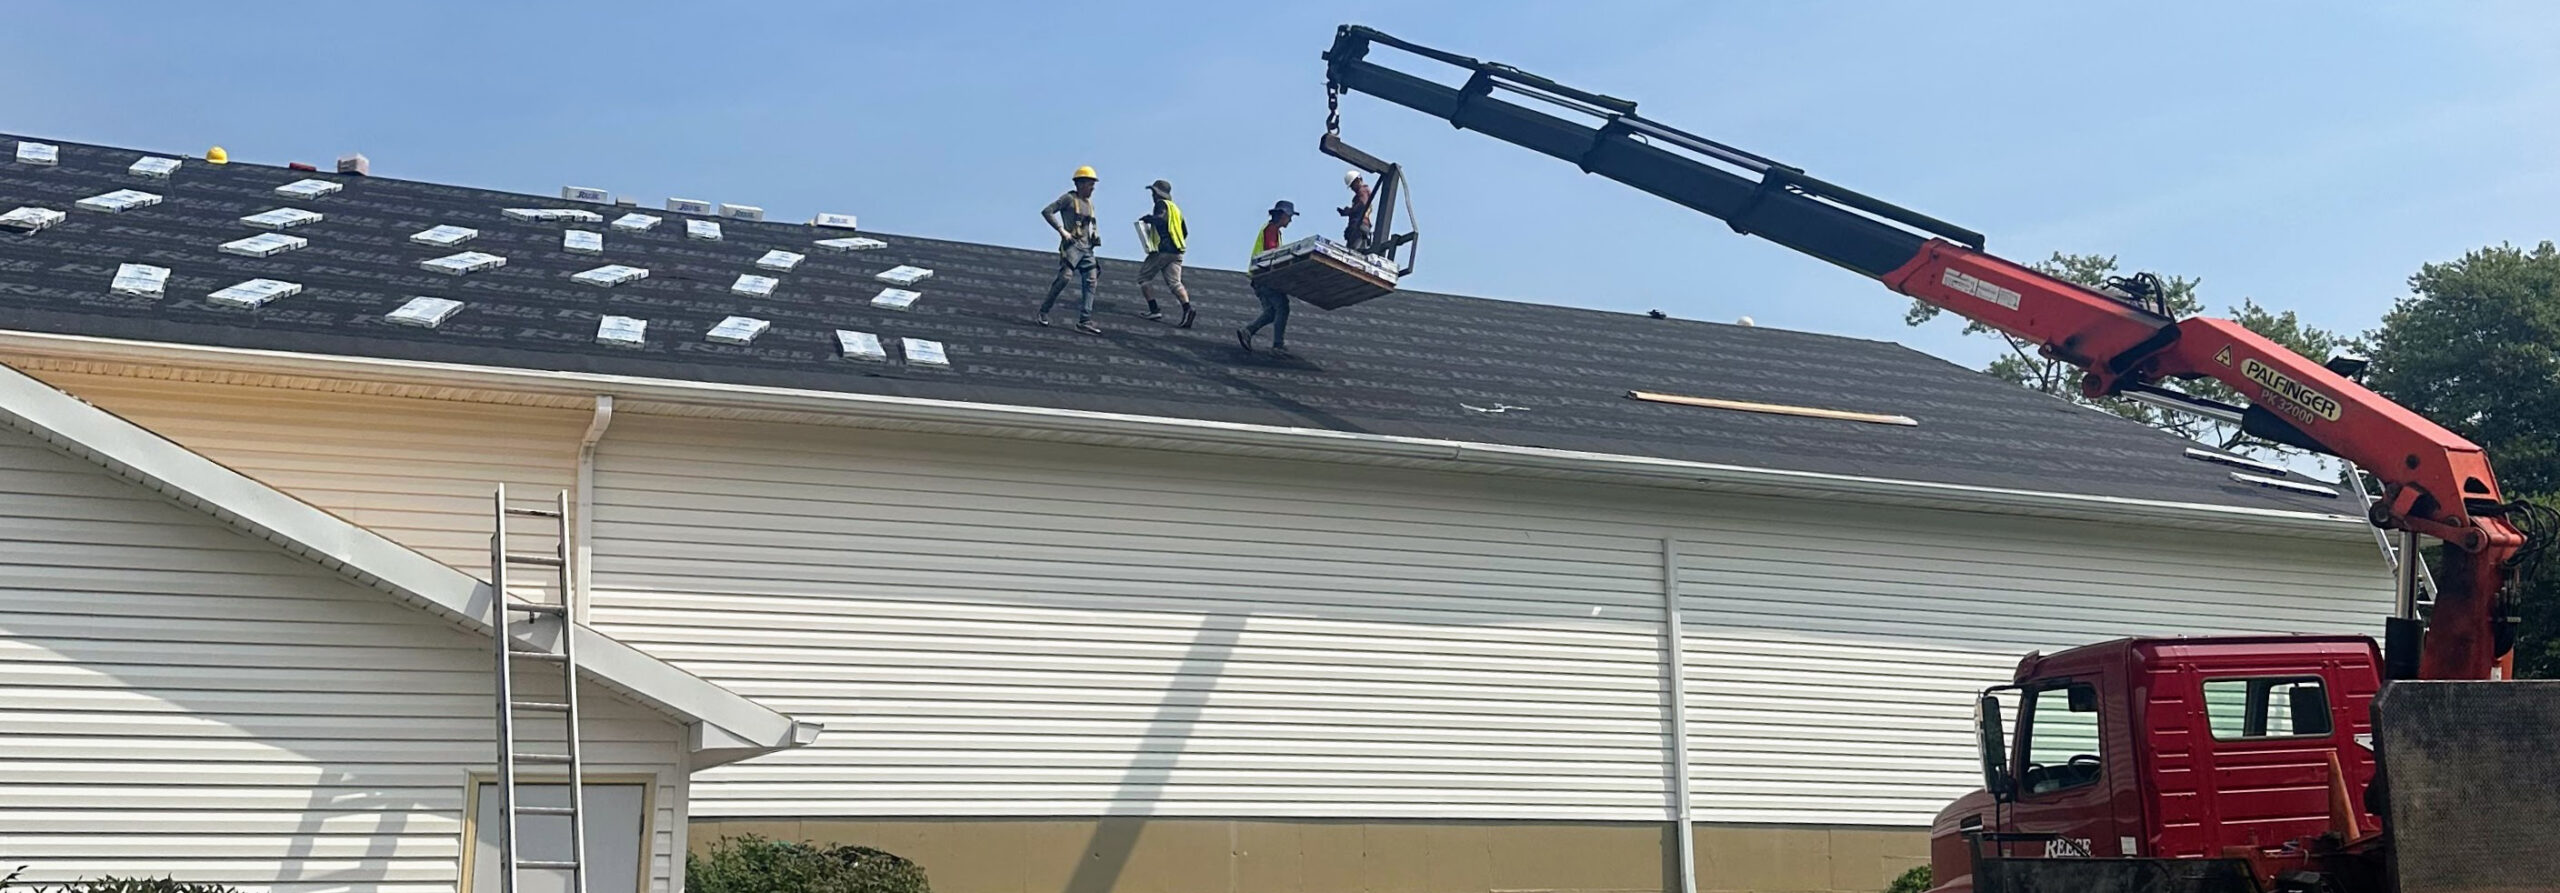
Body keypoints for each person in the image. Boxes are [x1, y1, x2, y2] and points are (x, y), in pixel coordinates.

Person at [1038, 166, 1105, 334]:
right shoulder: (1069, 199)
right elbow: (1047, 211)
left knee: (1091, 280)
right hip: (1072, 247)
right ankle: (1044, 310)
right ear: (1080, 184)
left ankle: (1085, 319)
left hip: (1087, 249)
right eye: (1090, 184)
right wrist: (1062, 230)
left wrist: (1094, 236)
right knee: (1064, 278)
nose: (1092, 188)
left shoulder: (1089, 204)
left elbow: (1089, 225)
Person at [1237, 201, 1298, 355]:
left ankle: (1248, 331)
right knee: (1282, 307)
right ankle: (1278, 345)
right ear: (1283, 215)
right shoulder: (1271, 230)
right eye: (1289, 217)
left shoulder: (1273, 230)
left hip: (1260, 278)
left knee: (1271, 312)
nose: (1290, 220)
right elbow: (1271, 254)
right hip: (1265, 277)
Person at [1134, 179, 1194, 328]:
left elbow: (1161, 219)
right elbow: (1185, 231)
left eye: (1153, 193)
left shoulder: (1161, 205)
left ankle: (1154, 309)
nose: (1152, 196)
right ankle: (1188, 309)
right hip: (1177, 252)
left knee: (1144, 278)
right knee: (1175, 283)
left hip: (1163, 251)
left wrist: (1149, 219)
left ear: (1157, 193)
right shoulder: (1176, 209)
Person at [1337, 170, 1373, 252]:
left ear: (1358, 180)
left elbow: (1362, 204)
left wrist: (1349, 211)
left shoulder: (1363, 190)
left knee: (1352, 253)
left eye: (1353, 185)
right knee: (1361, 254)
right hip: (1363, 226)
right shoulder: (1364, 192)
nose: (1352, 189)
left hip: (1359, 226)